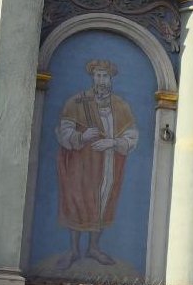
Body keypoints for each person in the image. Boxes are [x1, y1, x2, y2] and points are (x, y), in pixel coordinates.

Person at [55, 59, 140, 267]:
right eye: (98, 76)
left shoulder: (121, 105)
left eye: (105, 76)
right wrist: (82, 137)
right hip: (82, 164)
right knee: (78, 201)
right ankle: (74, 249)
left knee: (103, 201)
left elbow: (132, 135)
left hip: (109, 163)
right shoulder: (77, 102)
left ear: (111, 79)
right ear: (93, 77)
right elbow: (63, 130)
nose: (101, 80)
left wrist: (112, 142)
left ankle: (93, 248)